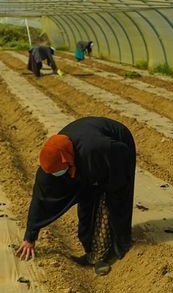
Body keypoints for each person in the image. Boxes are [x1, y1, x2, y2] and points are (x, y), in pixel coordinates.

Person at [16, 117, 137, 275]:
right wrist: (29, 237)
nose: (54, 175)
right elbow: (40, 199)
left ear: (67, 160)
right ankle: (90, 250)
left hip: (115, 150)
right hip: (86, 158)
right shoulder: (51, 164)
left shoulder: (95, 149)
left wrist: (109, 184)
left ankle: (115, 248)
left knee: (110, 202)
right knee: (87, 200)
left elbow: (121, 151)